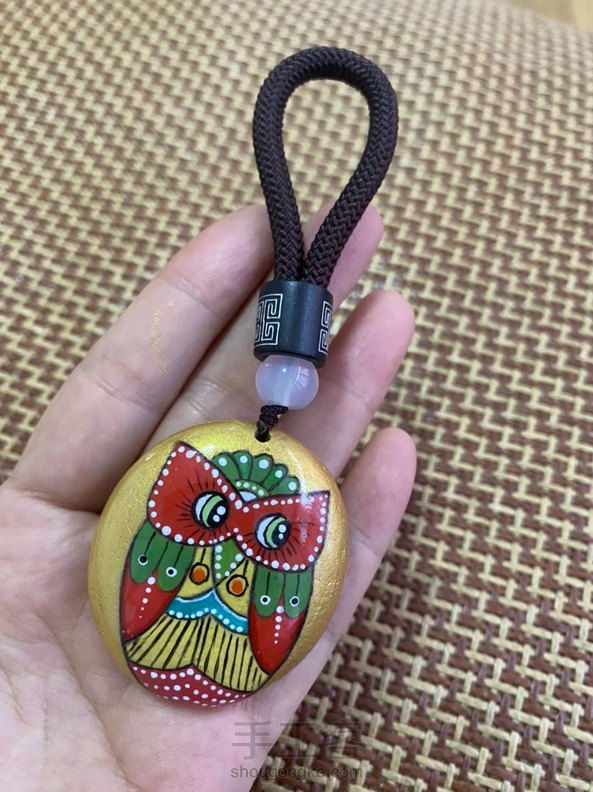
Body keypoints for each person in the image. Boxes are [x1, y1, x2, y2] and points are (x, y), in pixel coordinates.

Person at [0, 202, 415, 790]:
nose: (233, 535)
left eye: (275, 530)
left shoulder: (283, 578)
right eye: (213, 510)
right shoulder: (160, 551)